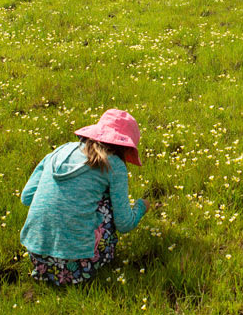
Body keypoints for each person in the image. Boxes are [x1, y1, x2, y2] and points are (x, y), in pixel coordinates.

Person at [19, 109, 150, 285]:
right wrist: (141, 207)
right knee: (106, 203)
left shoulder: (59, 151)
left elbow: (26, 197)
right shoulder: (115, 165)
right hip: (79, 267)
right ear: (125, 148)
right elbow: (124, 224)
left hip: (38, 257)